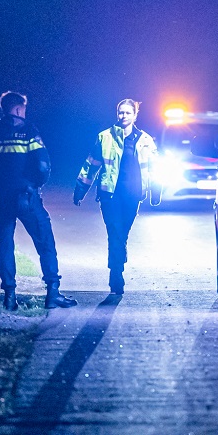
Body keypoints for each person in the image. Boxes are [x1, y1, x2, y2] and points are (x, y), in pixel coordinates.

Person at [0, 91, 77, 310]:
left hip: (1, 197)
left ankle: (10, 297)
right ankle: (52, 293)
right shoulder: (30, 131)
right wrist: (35, 184)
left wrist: (1, 180)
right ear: (20, 109)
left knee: (5, 244)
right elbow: (42, 166)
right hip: (27, 196)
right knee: (45, 242)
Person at [73, 99, 161, 296]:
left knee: (122, 234)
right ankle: (116, 273)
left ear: (135, 115)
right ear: (117, 113)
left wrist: (156, 191)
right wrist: (80, 189)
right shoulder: (104, 137)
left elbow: (154, 168)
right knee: (114, 231)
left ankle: (118, 262)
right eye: (121, 112)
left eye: (128, 113)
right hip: (109, 195)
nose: (123, 116)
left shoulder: (145, 140)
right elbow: (91, 165)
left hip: (133, 195)